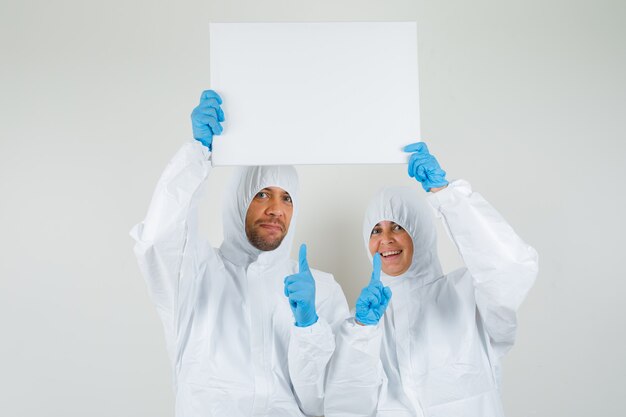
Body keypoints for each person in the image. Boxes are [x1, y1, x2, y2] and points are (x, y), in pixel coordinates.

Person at [130, 90, 349, 417]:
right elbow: (160, 237)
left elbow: (327, 403)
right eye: (262, 194)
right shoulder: (197, 274)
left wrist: (309, 326)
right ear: (237, 200)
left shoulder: (319, 290)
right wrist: (196, 155)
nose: (276, 210)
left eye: (287, 198)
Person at [324, 142, 538, 417]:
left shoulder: (466, 295)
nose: (385, 239)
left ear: (421, 232)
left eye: (398, 226)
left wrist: (447, 197)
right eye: (376, 230)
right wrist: (361, 333)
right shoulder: (364, 321)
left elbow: (509, 268)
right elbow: (346, 408)